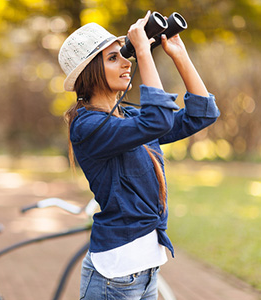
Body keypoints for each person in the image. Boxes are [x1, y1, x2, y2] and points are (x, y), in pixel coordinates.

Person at [58, 11, 219, 300]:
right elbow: (157, 119)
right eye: (113, 58)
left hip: (146, 272)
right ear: (90, 73)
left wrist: (179, 54)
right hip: (115, 276)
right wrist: (143, 52)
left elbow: (202, 115)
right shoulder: (88, 127)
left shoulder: (128, 116)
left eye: (126, 54)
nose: (126, 62)